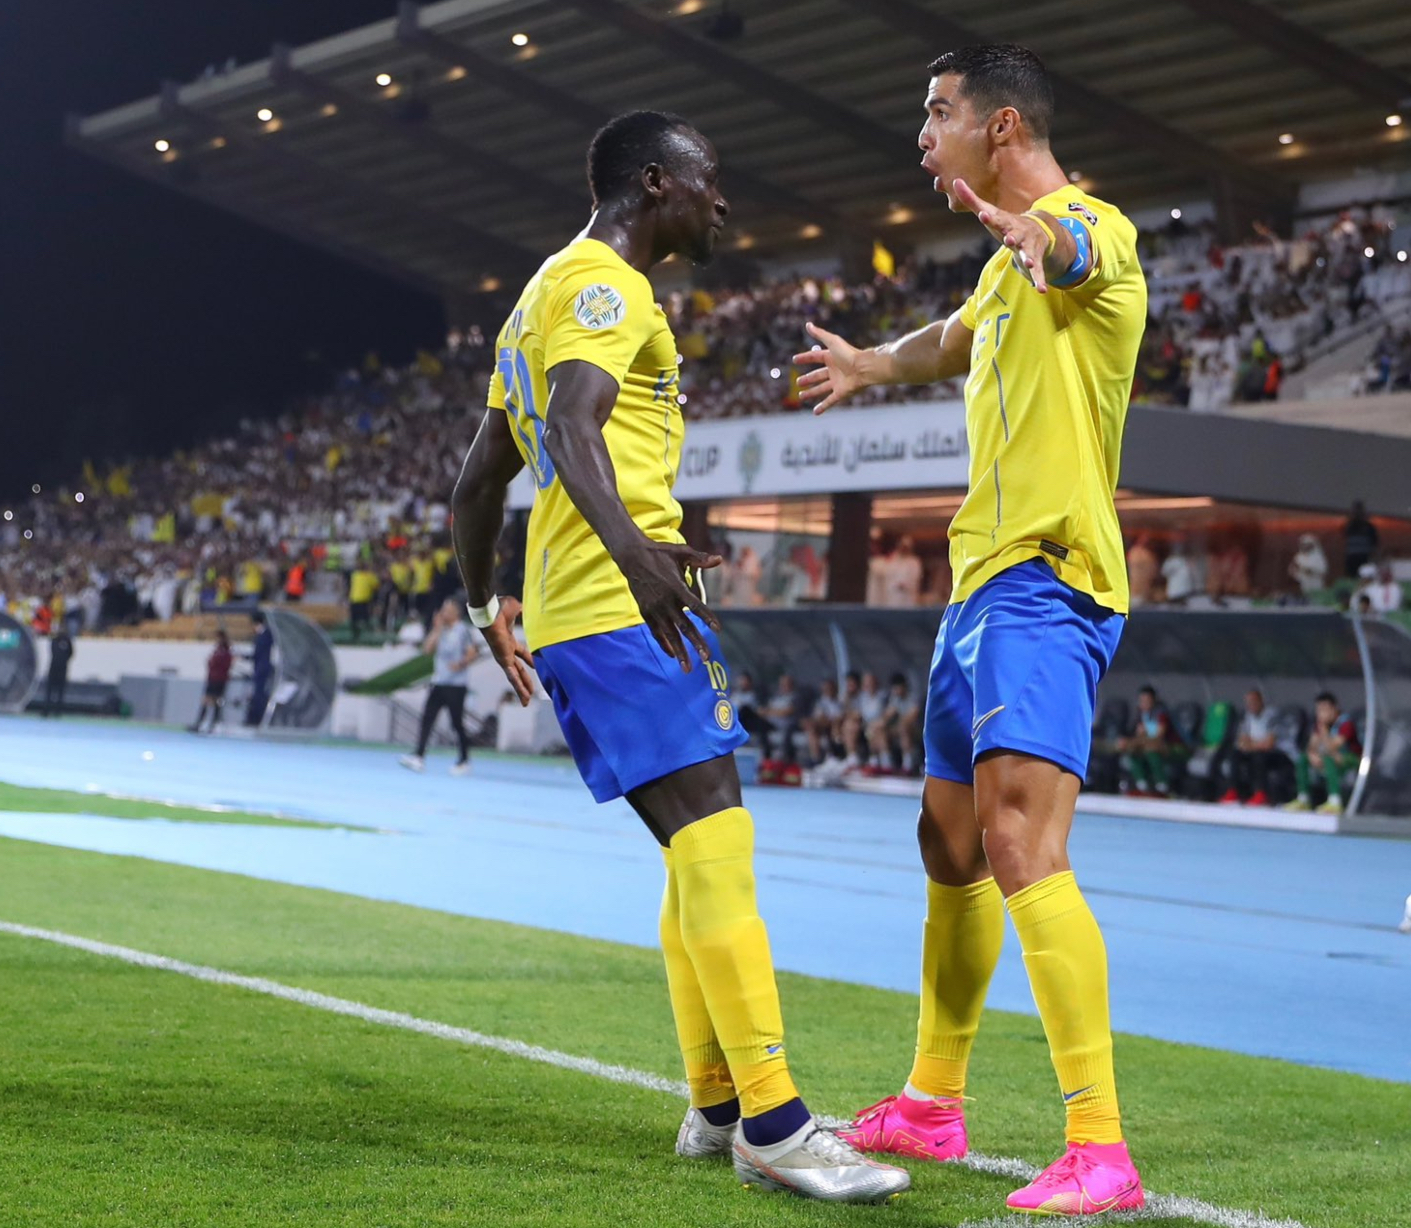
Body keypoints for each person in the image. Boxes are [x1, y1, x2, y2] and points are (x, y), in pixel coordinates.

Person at [447, 111, 904, 1201]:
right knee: (718, 847)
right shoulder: (608, 288)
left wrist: (482, 609)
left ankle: (714, 1100)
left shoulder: (538, 296)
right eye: (710, 182)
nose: (722, 202)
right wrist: (636, 559)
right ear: (656, 184)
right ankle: (777, 1126)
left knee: (696, 851)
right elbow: (570, 427)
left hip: (592, 610)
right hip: (618, 608)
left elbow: (476, 482)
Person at [794, 45, 1148, 1212]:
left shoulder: (1091, 231)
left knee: (1016, 844)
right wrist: (864, 363)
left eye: (936, 110)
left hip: (1047, 581)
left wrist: (1034, 231)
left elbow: (1071, 250)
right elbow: (945, 342)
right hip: (978, 587)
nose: (920, 130)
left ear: (1001, 127)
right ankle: (931, 1105)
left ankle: (1099, 1146)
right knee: (947, 846)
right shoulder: (997, 277)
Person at [398, 598, 480, 775]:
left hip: (456, 685)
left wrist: (461, 664)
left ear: (456, 613)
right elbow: (427, 650)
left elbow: (473, 652)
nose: (444, 613)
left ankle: (464, 759)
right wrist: (436, 628)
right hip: (439, 682)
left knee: (456, 723)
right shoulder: (441, 630)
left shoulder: (462, 630)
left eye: (447, 610)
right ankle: (419, 756)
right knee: (427, 718)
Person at [1285, 691, 1360, 815]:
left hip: (1351, 758)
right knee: (1303, 758)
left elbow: (1332, 747)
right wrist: (1312, 755)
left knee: (1328, 758)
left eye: (1325, 709)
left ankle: (1335, 801)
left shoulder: (1346, 723)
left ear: (1334, 708)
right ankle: (1303, 799)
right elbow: (1311, 746)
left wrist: (1324, 729)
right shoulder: (1319, 725)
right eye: (1319, 710)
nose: (1321, 713)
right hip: (1331, 757)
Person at [1219, 688, 1285, 806]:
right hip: (1256, 751)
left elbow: (1269, 743)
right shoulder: (1247, 716)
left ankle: (1261, 794)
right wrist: (1254, 744)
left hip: (1277, 753)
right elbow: (1241, 740)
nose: (1251, 705)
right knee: (1235, 754)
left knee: (1259, 756)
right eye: (1248, 703)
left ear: (1261, 701)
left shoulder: (1272, 715)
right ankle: (1233, 792)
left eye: (1254, 702)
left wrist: (1251, 744)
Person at [1116, 684, 1185, 795]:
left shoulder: (1161, 713)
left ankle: (1162, 783)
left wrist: (1145, 731)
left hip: (1169, 746)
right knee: (1133, 750)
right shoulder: (1140, 714)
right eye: (1142, 700)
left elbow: (1159, 734)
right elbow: (1134, 732)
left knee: (1151, 749)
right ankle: (1141, 782)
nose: (1144, 703)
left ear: (1154, 700)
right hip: (1148, 744)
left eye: (1147, 700)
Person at [190, 630, 233, 733]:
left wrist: (212, 663)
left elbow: (222, 665)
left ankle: (210, 723)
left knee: (214, 701)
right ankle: (203, 723)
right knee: (210, 701)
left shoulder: (225, 652)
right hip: (213, 678)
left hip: (218, 679)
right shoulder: (218, 650)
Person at [243, 611, 275, 727]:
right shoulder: (261, 635)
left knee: (259, 695)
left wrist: (245, 657)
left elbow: (258, 654)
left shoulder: (266, 635)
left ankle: (257, 720)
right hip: (259, 668)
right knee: (256, 694)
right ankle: (254, 718)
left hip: (262, 669)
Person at [43, 624, 73, 717]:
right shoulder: (54, 640)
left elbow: (71, 653)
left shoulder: (68, 641)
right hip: (53, 669)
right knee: (49, 691)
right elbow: (53, 652)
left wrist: (63, 661)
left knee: (60, 691)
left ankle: (58, 712)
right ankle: (46, 711)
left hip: (62, 670)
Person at [1343, 501, 1378, 578]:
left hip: (1364, 557)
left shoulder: (1369, 527)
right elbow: (1344, 532)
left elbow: (1375, 544)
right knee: (1352, 577)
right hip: (1352, 558)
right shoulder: (1350, 526)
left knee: (1364, 577)